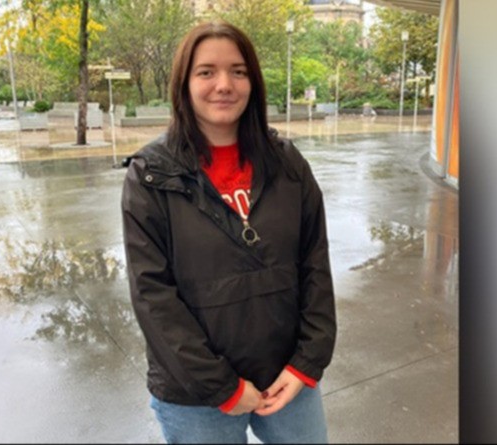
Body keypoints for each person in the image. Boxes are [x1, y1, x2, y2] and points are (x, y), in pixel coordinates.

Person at [121, 20, 336, 444]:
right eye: (206, 72)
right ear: (184, 83)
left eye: (238, 71)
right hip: (196, 395)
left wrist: (307, 363)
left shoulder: (288, 165)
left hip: (286, 378)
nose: (224, 85)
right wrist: (223, 387)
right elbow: (153, 296)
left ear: (253, 82)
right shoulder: (151, 176)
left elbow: (315, 265)